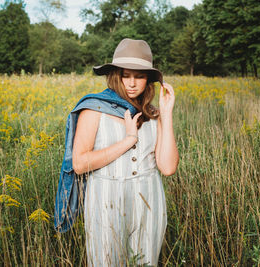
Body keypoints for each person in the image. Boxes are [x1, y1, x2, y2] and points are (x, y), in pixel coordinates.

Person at [54, 38, 179, 266]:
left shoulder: (154, 114)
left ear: (148, 80)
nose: (132, 83)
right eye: (125, 75)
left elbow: (168, 167)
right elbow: (80, 164)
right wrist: (129, 140)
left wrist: (167, 113)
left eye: (139, 76)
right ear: (115, 75)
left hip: (150, 197)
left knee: (146, 262)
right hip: (105, 196)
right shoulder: (94, 109)